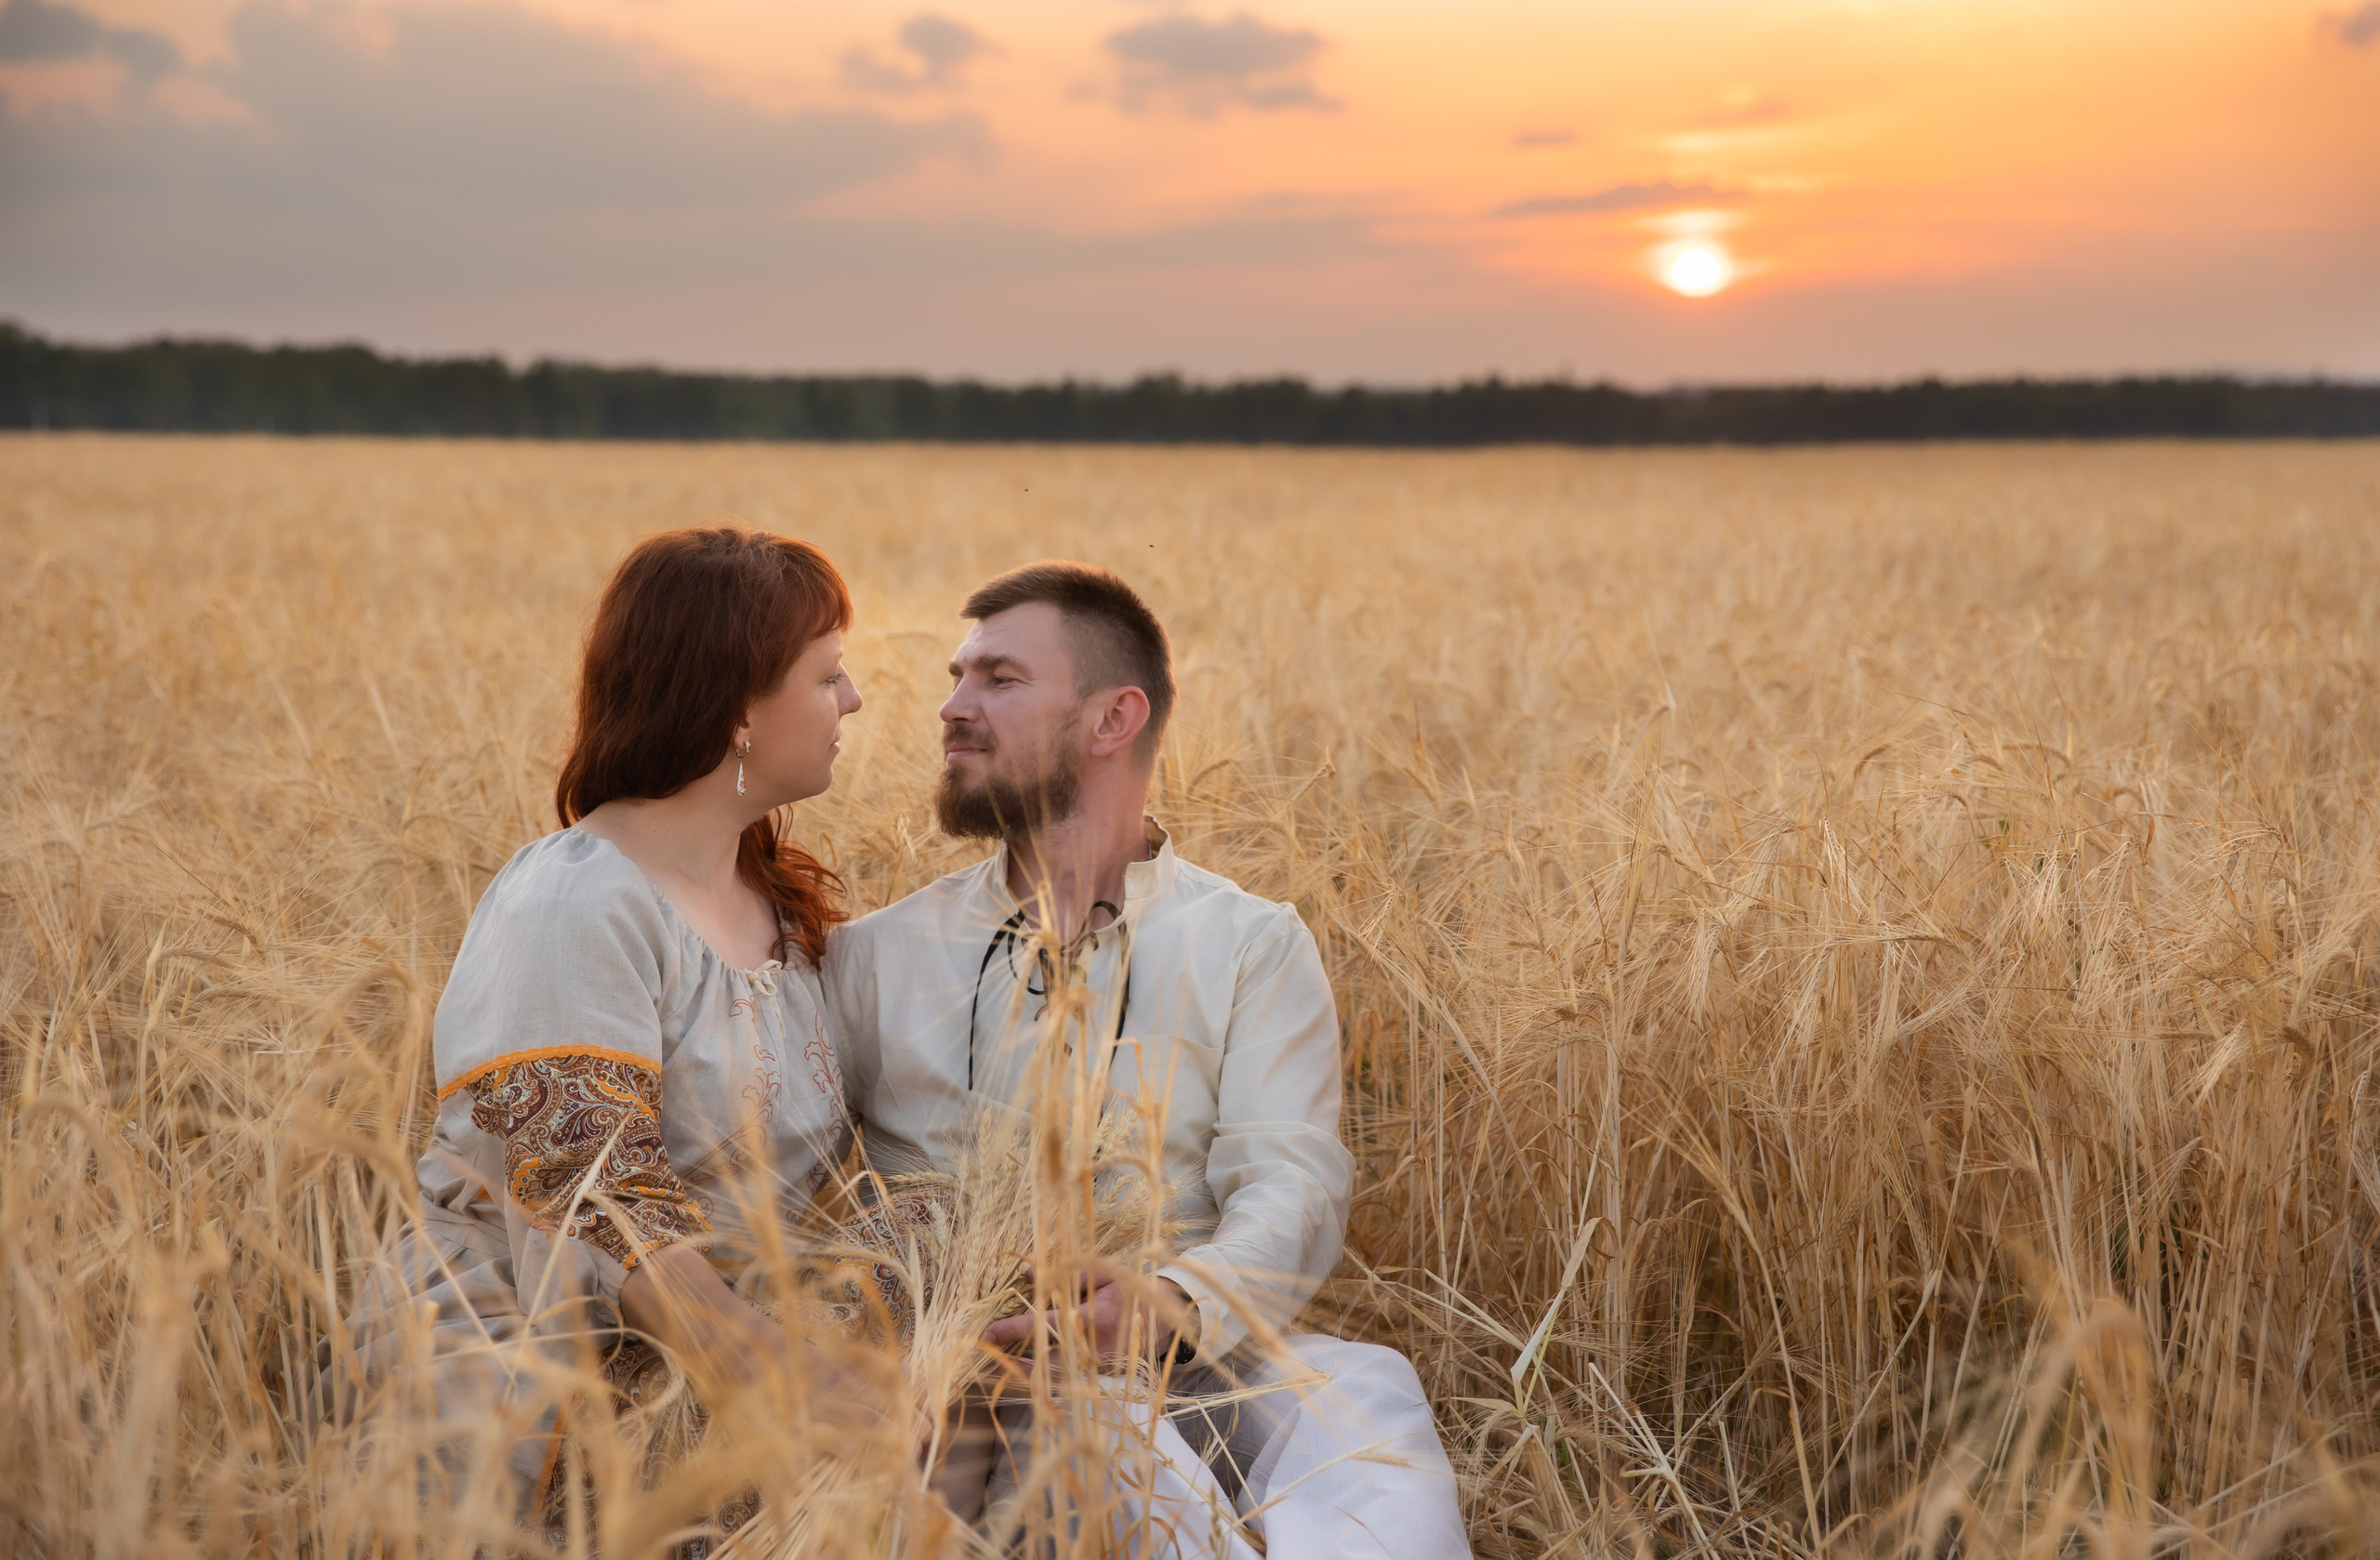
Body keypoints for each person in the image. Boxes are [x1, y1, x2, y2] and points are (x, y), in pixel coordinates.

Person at [824, 562, 1474, 1558]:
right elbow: (792, 1186)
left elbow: (1290, 1181)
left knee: (1368, 1395)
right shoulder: (877, 954)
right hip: (970, 1368)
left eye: (998, 679)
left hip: (1189, 1354)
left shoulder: (1248, 942)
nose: (951, 708)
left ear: (1112, 718)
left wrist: (1172, 1303)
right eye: (956, 678)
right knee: (1093, 1432)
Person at [364, 527, 867, 1532]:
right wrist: (791, 1384)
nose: (852, 701)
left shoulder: (776, 904)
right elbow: (593, 1196)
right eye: (828, 675)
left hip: (728, 1381)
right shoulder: (578, 901)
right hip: (553, 1401)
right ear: (736, 711)